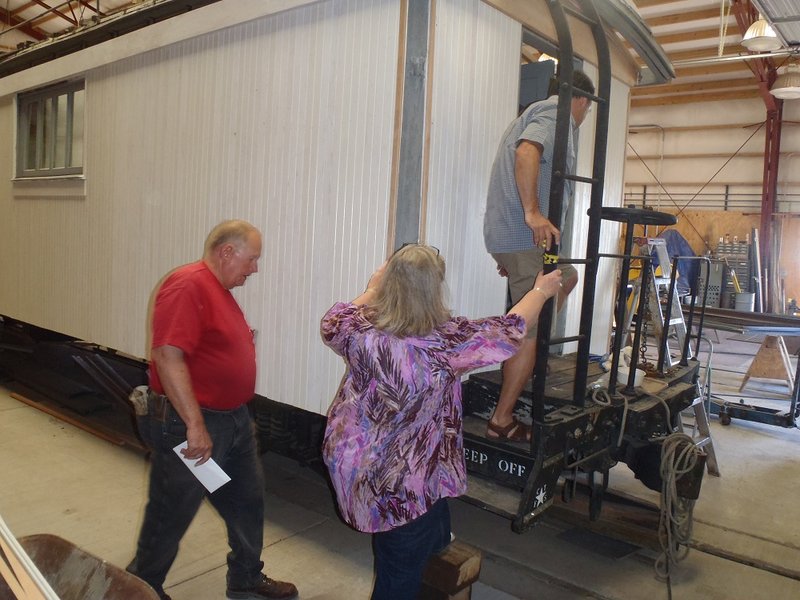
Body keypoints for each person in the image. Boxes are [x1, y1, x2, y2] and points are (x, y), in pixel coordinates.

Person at [320, 244, 562, 600]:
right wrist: (541, 290)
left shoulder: (358, 328)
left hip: (356, 464)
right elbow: (511, 329)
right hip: (400, 482)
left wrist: (373, 288)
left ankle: (433, 547)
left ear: (391, 283)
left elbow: (333, 321)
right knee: (397, 576)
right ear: (435, 289)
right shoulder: (445, 342)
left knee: (424, 528)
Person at [127, 220, 297, 600]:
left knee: (246, 501)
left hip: (234, 422)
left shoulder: (217, 289)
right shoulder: (188, 284)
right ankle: (140, 588)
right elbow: (167, 356)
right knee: (171, 513)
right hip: (194, 425)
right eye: (252, 259)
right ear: (227, 252)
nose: (255, 268)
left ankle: (246, 578)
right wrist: (194, 425)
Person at [483, 69, 595, 442]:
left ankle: (535, 331)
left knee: (568, 276)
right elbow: (527, 153)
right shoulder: (555, 113)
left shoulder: (535, 112)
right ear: (582, 101)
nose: (584, 117)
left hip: (521, 240)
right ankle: (501, 420)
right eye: (588, 109)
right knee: (527, 331)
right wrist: (532, 214)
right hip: (524, 238)